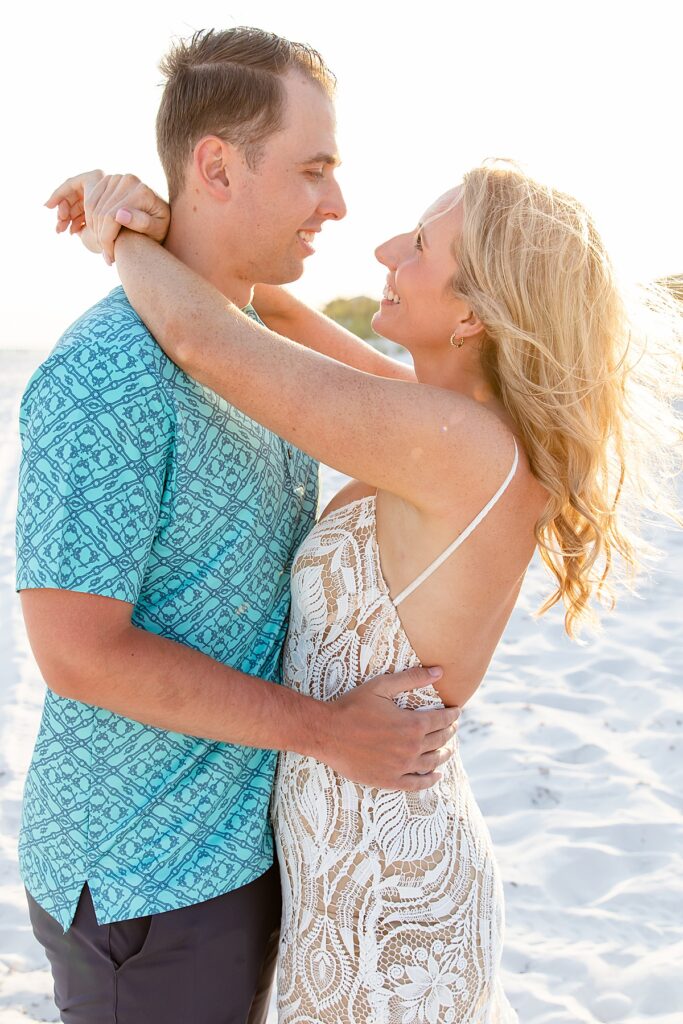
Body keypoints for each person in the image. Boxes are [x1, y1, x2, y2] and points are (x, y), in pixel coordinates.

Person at [49, 154, 682, 1023]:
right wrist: (178, 231)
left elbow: (210, 344)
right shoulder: (448, 426)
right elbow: (261, 315)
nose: (385, 246)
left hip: (387, 893)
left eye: (418, 245)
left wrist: (118, 238)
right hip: (355, 867)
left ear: (472, 313)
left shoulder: (458, 445)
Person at [17, 28, 462, 1024]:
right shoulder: (106, 375)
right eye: (312, 170)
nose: (337, 205)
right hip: (146, 876)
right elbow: (77, 654)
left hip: (239, 845)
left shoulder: (255, 352)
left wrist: (133, 231)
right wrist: (326, 734)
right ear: (216, 166)